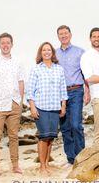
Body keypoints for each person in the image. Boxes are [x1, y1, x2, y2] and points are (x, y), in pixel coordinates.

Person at [0, 32, 25, 176]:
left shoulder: (18, 62)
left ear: (12, 44)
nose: (5, 45)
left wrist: (20, 101)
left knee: (14, 136)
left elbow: (21, 82)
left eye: (8, 42)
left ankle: (15, 166)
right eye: (3, 43)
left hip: (14, 104)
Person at [26, 42, 68, 175]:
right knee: (43, 137)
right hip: (41, 107)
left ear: (52, 53)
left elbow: (63, 89)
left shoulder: (59, 69)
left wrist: (63, 106)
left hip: (55, 107)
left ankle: (47, 163)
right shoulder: (36, 69)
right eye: (44, 50)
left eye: (49, 50)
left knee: (50, 137)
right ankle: (42, 166)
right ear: (41, 53)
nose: (46, 52)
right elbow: (30, 91)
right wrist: (32, 107)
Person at [56, 25, 86, 165]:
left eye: (65, 33)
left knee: (75, 125)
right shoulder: (54, 54)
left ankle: (81, 157)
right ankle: (70, 159)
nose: (63, 36)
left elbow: (85, 73)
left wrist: (88, 91)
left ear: (70, 35)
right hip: (59, 94)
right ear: (58, 36)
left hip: (76, 91)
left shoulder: (80, 52)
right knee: (65, 127)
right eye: (61, 34)